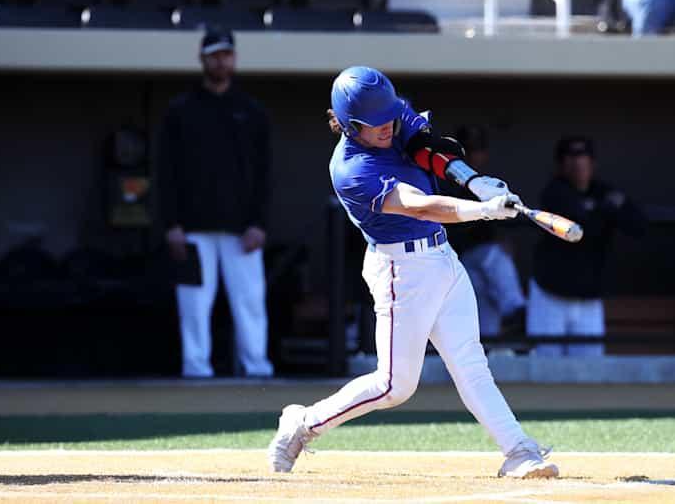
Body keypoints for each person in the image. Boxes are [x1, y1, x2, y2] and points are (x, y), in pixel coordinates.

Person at [266, 67, 559, 479]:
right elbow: (420, 205)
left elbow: (427, 148)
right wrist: (483, 209)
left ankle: (519, 450)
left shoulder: (391, 115)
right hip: (401, 271)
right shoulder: (352, 171)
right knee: (393, 386)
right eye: (377, 123)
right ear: (351, 126)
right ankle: (302, 423)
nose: (389, 125)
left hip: (442, 258)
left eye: (390, 116)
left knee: (471, 363)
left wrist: (474, 180)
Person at [157, 27, 274, 378]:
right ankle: (196, 371)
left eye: (226, 54)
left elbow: (266, 173)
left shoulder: (252, 111)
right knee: (193, 304)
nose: (220, 61)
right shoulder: (179, 110)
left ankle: (257, 369)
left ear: (234, 58)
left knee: (250, 301)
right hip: (191, 228)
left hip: (242, 228)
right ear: (202, 58)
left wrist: (259, 223)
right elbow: (165, 172)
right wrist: (171, 225)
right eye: (213, 54)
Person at [527, 137, 646, 356]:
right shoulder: (554, 192)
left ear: (592, 163)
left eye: (583, 159)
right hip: (551, 293)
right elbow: (582, 229)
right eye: (571, 160)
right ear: (560, 165)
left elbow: (638, 225)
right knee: (546, 366)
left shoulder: (603, 191)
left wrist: (603, 209)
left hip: (588, 298)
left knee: (589, 367)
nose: (578, 165)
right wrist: (606, 212)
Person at [445, 125, 527, 337]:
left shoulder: (488, 185)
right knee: (493, 255)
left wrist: (500, 237)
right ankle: (515, 307)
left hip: (476, 273)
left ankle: (514, 313)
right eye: (466, 150)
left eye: (477, 150)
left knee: (484, 330)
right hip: (450, 263)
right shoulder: (443, 182)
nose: (473, 156)